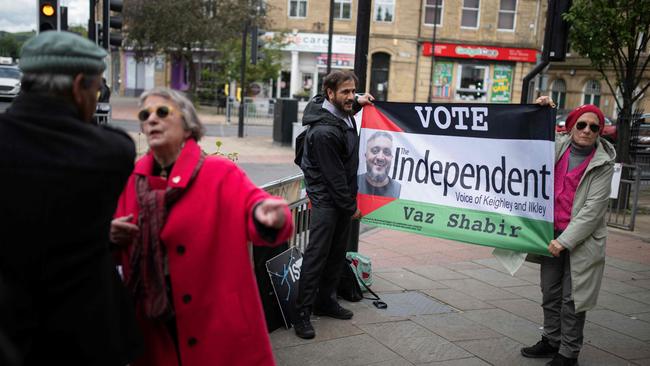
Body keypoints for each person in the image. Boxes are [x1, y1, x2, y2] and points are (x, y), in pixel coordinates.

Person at [110, 87, 293, 366]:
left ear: (187, 125)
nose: (151, 120)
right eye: (145, 115)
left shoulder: (220, 173)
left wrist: (267, 215)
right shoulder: (133, 183)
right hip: (154, 328)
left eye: (162, 112)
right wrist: (109, 236)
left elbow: (255, 206)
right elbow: (113, 246)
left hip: (218, 327)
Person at [0, 31, 143, 365]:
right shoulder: (110, 151)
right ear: (80, 84)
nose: (97, 98)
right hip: (84, 333)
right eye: (97, 89)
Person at [521, 98, 616, 366]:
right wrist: (542, 109)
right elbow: (530, 133)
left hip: (579, 242)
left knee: (573, 299)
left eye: (594, 127)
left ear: (599, 132)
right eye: (582, 124)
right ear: (572, 126)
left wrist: (564, 241)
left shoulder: (603, 164)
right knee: (550, 292)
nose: (587, 130)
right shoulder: (557, 147)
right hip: (549, 236)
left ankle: (568, 352)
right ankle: (551, 339)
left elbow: (592, 212)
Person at [294, 70, 374, 339]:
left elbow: (340, 105)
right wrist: (350, 206)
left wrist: (359, 101)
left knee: (336, 254)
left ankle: (326, 301)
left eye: (354, 91)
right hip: (328, 201)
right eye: (346, 92)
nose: (351, 97)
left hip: (339, 200)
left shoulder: (338, 112)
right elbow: (334, 177)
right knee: (316, 257)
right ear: (330, 93)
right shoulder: (325, 131)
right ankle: (301, 314)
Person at [358, 131, 401, 198]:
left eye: (386, 152)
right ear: (366, 155)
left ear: (391, 158)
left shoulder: (399, 190)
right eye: (375, 151)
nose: (380, 157)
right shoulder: (354, 182)